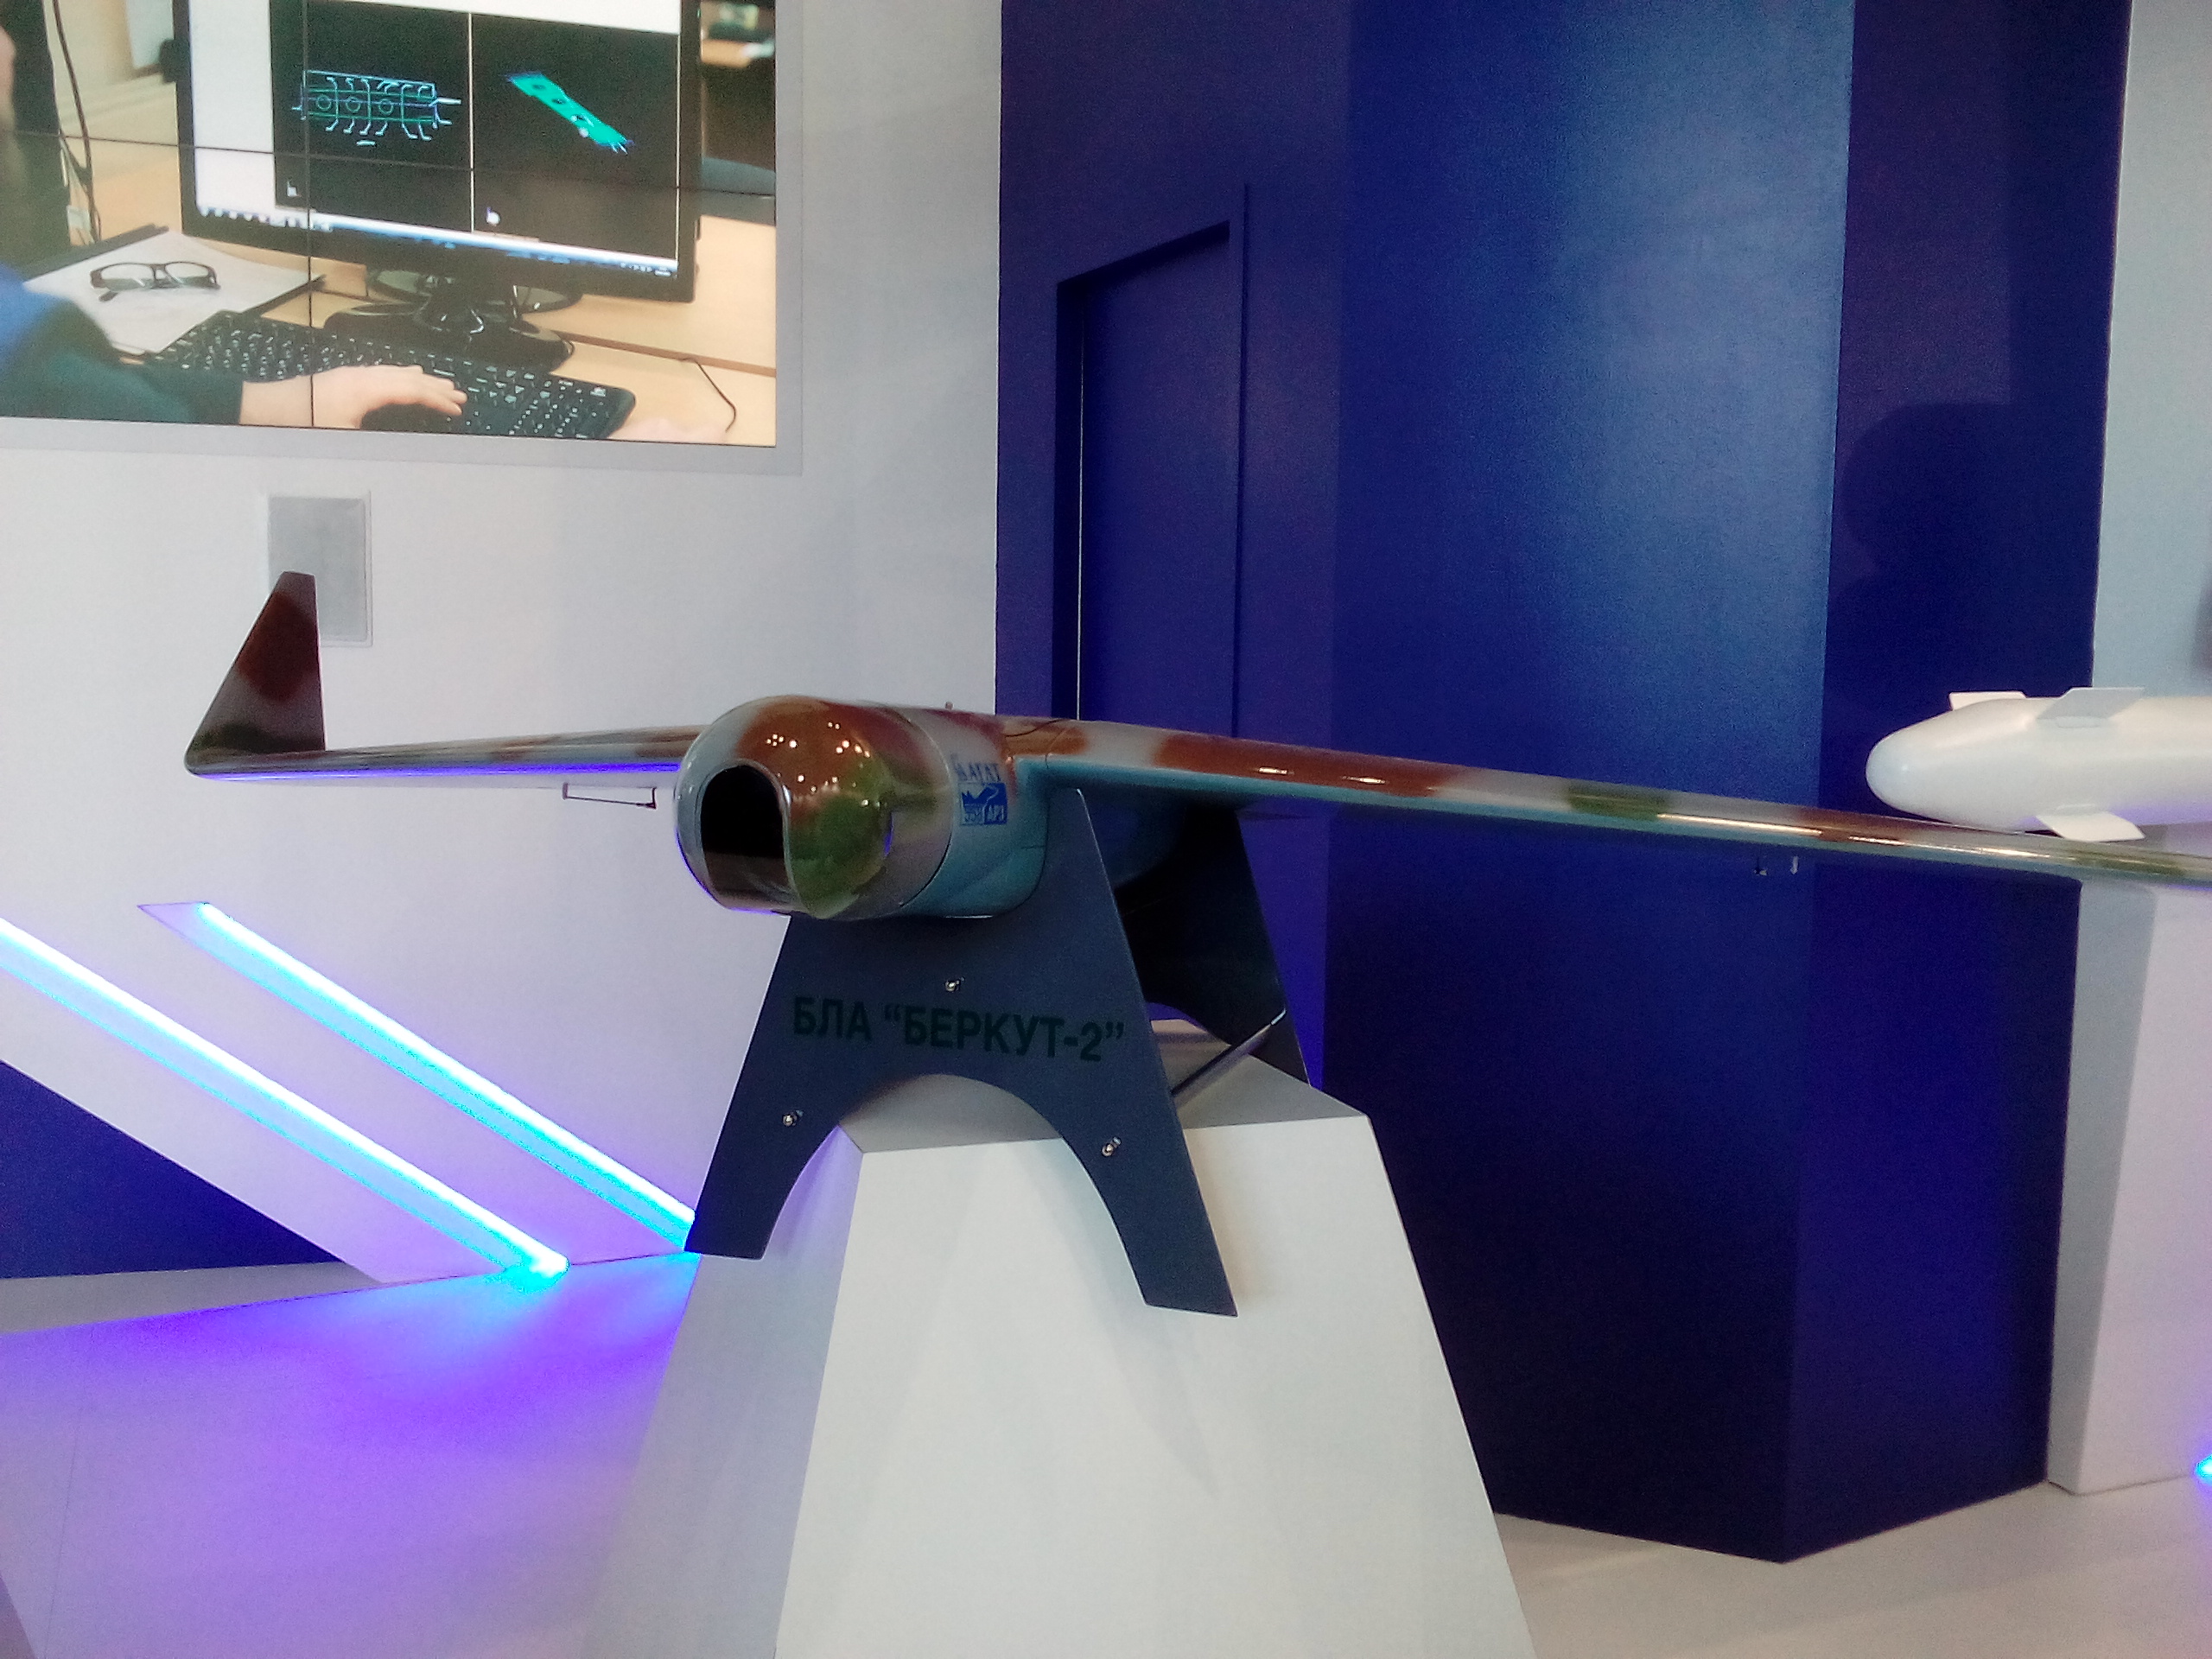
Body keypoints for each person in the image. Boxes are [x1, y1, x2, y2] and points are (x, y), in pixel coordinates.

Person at [0, 22, 464, 429]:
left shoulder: (48, 366)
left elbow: (111, 391)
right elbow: (175, 461)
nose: (9, 45)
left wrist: (279, 402)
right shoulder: (33, 361)